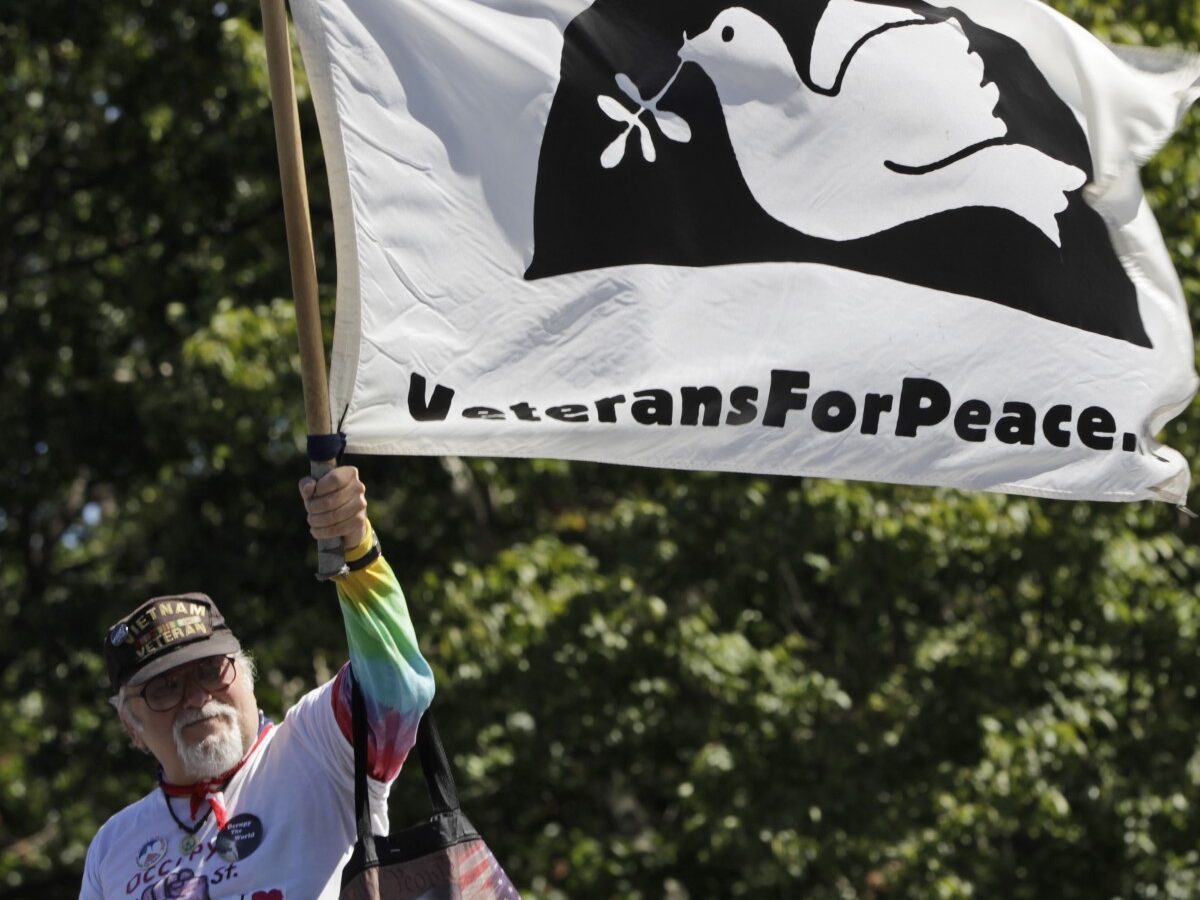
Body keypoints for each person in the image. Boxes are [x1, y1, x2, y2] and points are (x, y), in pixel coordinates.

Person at [81, 467, 435, 899]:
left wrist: (357, 550)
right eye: (164, 688)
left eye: (211, 670)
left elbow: (396, 685)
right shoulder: (112, 847)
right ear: (129, 724)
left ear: (245, 670)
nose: (197, 697)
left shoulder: (316, 745)